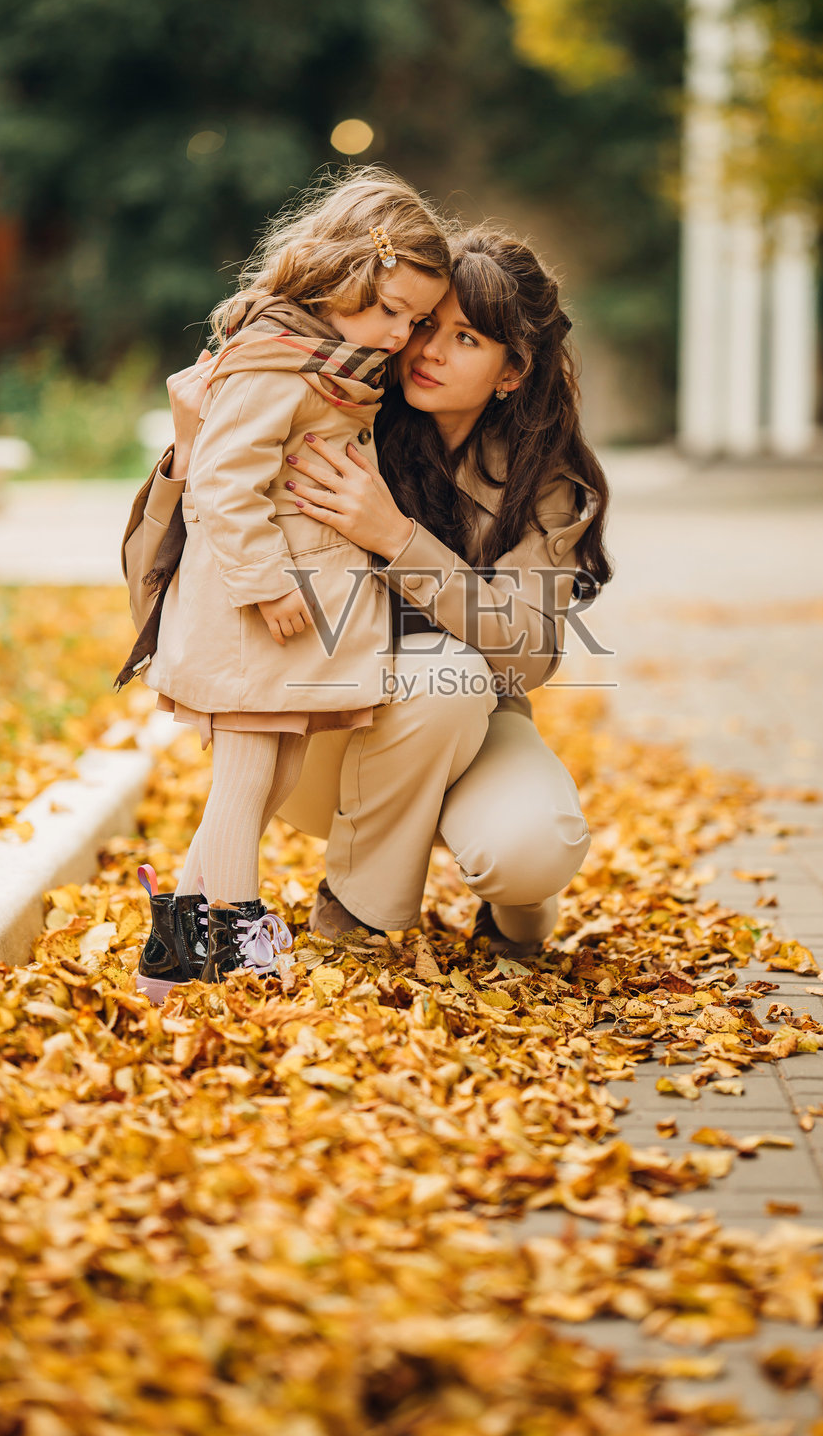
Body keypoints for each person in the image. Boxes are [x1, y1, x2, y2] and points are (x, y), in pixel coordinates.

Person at [125, 224, 611, 972]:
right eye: (422, 325)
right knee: (440, 680)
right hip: (324, 725)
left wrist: (395, 535)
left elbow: (531, 653)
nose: (425, 350)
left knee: (526, 838)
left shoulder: (539, 480)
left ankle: (517, 908)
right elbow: (173, 577)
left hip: (468, 722)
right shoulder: (334, 406)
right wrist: (190, 456)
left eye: (465, 339)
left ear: (511, 372)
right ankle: (351, 912)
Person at [119, 167, 449, 999]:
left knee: (278, 770)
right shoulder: (273, 360)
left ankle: (168, 962)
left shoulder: (332, 362)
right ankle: (243, 946)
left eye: (413, 319)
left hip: (302, 612)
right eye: (388, 311)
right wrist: (266, 584)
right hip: (254, 609)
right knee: (244, 774)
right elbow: (223, 484)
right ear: (341, 275)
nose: (398, 334)